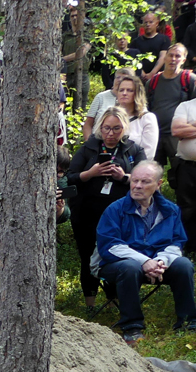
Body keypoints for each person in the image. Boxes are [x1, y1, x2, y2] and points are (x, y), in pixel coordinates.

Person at [95, 160, 196, 345]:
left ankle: (187, 322)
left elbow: (177, 242)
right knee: (130, 267)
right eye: (135, 180)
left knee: (184, 265)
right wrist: (144, 261)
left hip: (156, 264)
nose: (138, 186)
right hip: (115, 265)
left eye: (145, 182)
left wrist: (159, 261)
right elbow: (109, 246)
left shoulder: (170, 210)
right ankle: (132, 326)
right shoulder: (115, 209)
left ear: (158, 184)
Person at [66, 106, 147, 309]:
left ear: (124, 128)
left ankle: (114, 301)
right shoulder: (88, 148)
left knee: (117, 255)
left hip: (121, 215)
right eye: (106, 128)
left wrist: (124, 177)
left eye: (116, 129)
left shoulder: (133, 149)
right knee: (87, 256)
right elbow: (69, 178)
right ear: (100, 128)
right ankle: (90, 305)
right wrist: (90, 173)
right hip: (87, 213)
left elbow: (146, 179)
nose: (110, 134)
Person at [147, 43, 195, 189]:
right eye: (170, 55)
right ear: (165, 57)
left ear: (184, 59)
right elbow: (145, 106)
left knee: (179, 175)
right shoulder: (152, 81)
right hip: (155, 134)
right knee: (152, 173)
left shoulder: (190, 79)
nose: (173, 59)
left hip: (178, 136)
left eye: (177, 56)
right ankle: (153, 203)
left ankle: (179, 205)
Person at [172, 87, 196, 248]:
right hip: (188, 167)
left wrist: (191, 127)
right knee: (187, 207)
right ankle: (186, 246)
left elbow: (184, 130)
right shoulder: (186, 106)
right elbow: (176, 130)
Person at [115, 72, 159, 159]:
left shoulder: (147, 118)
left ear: (137, 93)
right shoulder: (111, 115)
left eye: (129, 90)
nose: (124, 93)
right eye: (121, 90)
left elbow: (148, 153)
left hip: (136, 168)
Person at [83, 68, 134, 140]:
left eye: (124, 78)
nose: (119, 80)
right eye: (118, 77)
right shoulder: (101, 97)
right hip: (97, 142)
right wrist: (89, 144)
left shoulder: (132, 101)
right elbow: (88, 124)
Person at [132, 11, 172, 81]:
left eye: (151, 22)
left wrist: (152, 74)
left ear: (157, 23)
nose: (148, 25)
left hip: (159, 77)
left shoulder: (164, 39)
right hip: (140, 78)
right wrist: (142, 73)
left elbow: (162, 57)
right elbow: (133, 59)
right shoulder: (136, 41)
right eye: (146, 23)